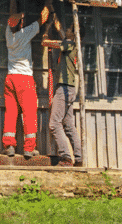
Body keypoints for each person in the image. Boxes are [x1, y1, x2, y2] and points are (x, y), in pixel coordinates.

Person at [1, 0, 48, 158]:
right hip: (24, 79)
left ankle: (9, 146)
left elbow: (12, 16)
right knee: (29, 113)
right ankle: (29, 148)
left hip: (10, 78)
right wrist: (48, 4)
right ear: (20, 23)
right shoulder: (25, 33)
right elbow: (42, 19)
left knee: (11, 112)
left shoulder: (8, 34)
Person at [49, 9, 83, 167]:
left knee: (54, 123)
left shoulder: (68, 44)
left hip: (63, 89)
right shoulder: (73, 45)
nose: (66, 30)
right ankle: (79, 157)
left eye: (69, 28)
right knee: (68, 123)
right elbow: (61, 30)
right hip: (70, 89)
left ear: (73, 33)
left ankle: (66, 157)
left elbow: (47, 43)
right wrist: (53, 14)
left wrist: (44, 34)